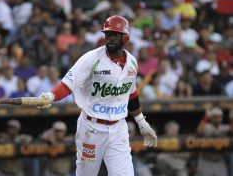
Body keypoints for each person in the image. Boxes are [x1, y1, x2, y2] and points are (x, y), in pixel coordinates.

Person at [35, 15, 157, 175]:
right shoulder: (91, 59)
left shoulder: (132, 62)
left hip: (118, 127)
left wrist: (142, 123)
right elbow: (67, 85)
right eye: (108, 34)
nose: (110, 38)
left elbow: (131, 93)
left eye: (115, 34)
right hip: (92, 128)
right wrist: (50, 96)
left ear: (125, 37)